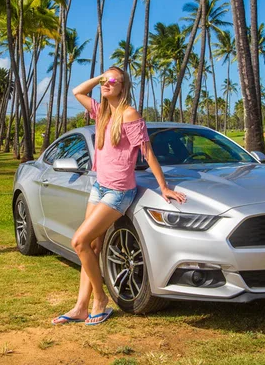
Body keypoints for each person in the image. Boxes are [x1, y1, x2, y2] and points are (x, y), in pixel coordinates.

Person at [51, 66, 186, 326]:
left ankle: (100, 301)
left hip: (119, 191)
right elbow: (77, 91)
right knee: (90, 246)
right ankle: (81, 307)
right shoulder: (101, 113)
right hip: (99, 187)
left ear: (123, 87)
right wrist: (100, 77)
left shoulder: (129, 114)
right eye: (105, 80)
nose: (107, 83)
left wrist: (164, 187)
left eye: (113, 80)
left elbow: (147, 152)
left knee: (79, 241)